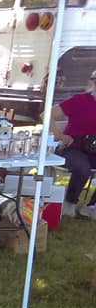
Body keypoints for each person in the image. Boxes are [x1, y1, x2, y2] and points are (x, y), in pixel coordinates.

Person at [51, 70, 96, 219]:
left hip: (93, 149)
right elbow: (48, 115)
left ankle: (91, 207)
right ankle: (69, 203)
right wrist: (59, 136)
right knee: (83, 168)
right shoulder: (79, 100)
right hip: (72, 148)